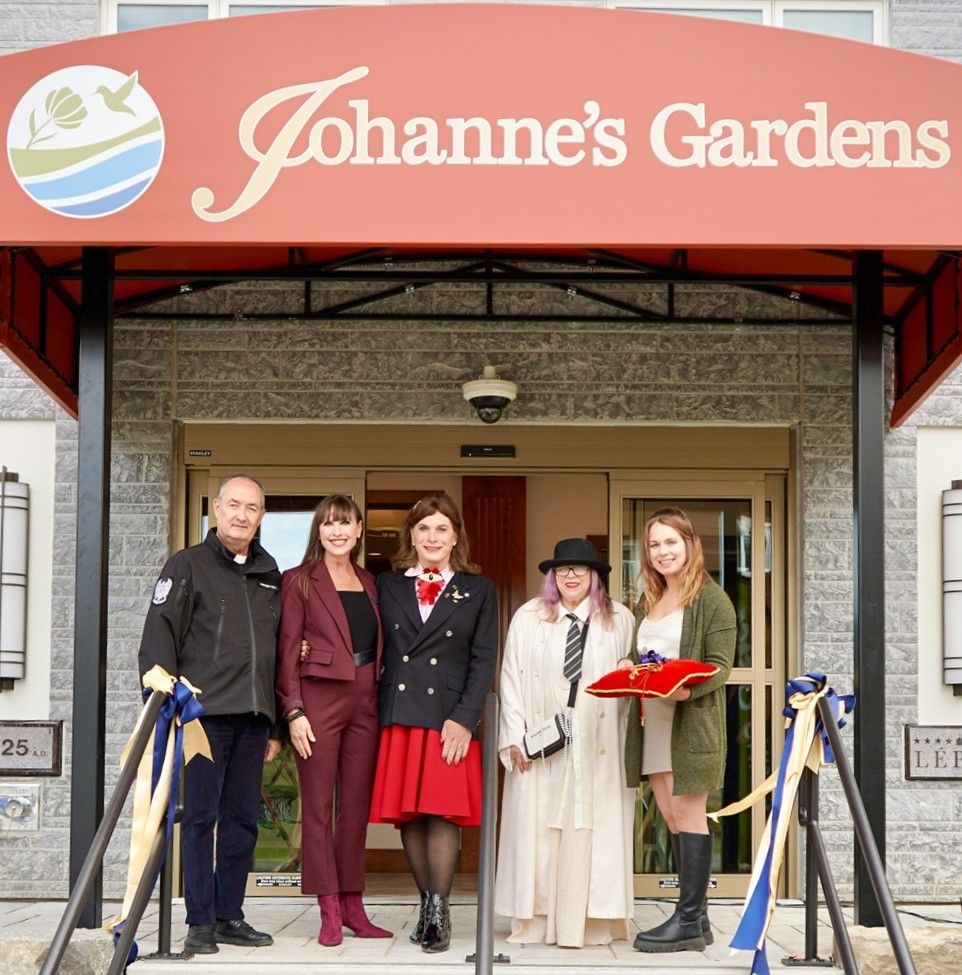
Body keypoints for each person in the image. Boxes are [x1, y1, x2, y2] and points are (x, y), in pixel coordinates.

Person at [137, 474, 281, 955]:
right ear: (216, 509)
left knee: (243, 820)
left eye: (252, 507)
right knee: (199, 818)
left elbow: (277, 652)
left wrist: (275, 722)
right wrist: (163, 709)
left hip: (253, 717)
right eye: (233, 505)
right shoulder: (187, 565)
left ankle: (228, 915)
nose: (242, 515)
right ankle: (199, 921)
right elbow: (159, 638)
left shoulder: (270, 572)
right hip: (203, 716)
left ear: (261, 516)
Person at [369, 494, 498, 953]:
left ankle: (439, 911)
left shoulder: (479, 590)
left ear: (456, 536)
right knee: (410, 813)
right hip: (401, 712)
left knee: (441, 810)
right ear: (412, 535)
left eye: (442, 529)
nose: (432, 537)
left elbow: (483, 660)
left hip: (449, 717)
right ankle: (428, 905)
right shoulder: (387, 584)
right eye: (424, 528)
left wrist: (465, 718)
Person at [494, 537, 635, 948]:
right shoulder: (528, 617)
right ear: (553, 576)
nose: (571, 575)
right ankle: (537, 920)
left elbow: (632, 682)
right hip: (543, 743)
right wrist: (514, 738)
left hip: (598, 742)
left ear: (595, 576)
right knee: (540, 828)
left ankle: (589, 922)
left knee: (588, 827)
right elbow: (510, 677)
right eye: (562, 569)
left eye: (580, 568)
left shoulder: (619, 619)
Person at [275, 494, 392, 947]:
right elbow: (288, 650)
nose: (337, 531)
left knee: (356, 808)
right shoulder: (299, 581)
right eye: (329, 524)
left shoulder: (371, 581)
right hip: (319, 699)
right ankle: (328, 908)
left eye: (345, 523)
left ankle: (353, 906)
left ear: (359, 529)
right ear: (319, 531)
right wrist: (294, 711)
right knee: (319, 806)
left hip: (367, 699)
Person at [625, 506, 736, 953]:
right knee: (671, 816)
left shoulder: (712, 599)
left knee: (689, 815)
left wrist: (686, 691)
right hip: (653, 722)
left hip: (690, 723)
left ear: (690, 544)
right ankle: (698, 921)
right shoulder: (648, 600)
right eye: (655, 544)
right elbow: (641, 658)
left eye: (671, 542)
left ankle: (687, 919)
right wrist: (628, 664)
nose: (663, 551)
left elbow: (721, 666)